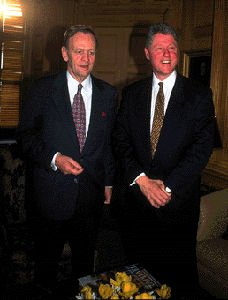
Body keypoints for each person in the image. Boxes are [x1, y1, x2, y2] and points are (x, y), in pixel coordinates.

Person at [112, 23, 215, 298]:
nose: (166, 53)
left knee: (178, 282)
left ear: (178, 52)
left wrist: (167, 188)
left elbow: (201, 150)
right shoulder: (131, 94)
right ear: (147, 53)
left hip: (178, 208)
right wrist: (143, 181)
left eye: (172, 47)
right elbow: (120, 142)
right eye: (159, 48)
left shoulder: (199, 95)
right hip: (136, 207)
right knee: (136, 280)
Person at [17, 25, 118, 296]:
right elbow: (25, 137)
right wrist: (54, 159)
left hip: (90, 198)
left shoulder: (108, 94)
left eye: (91, 52)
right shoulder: (41, 90)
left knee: (85, 271)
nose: (86, 59)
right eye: (79, 52)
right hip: (50, 197)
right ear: (64, 53)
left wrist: (108, 182)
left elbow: (108, 144)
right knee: (46, 271)